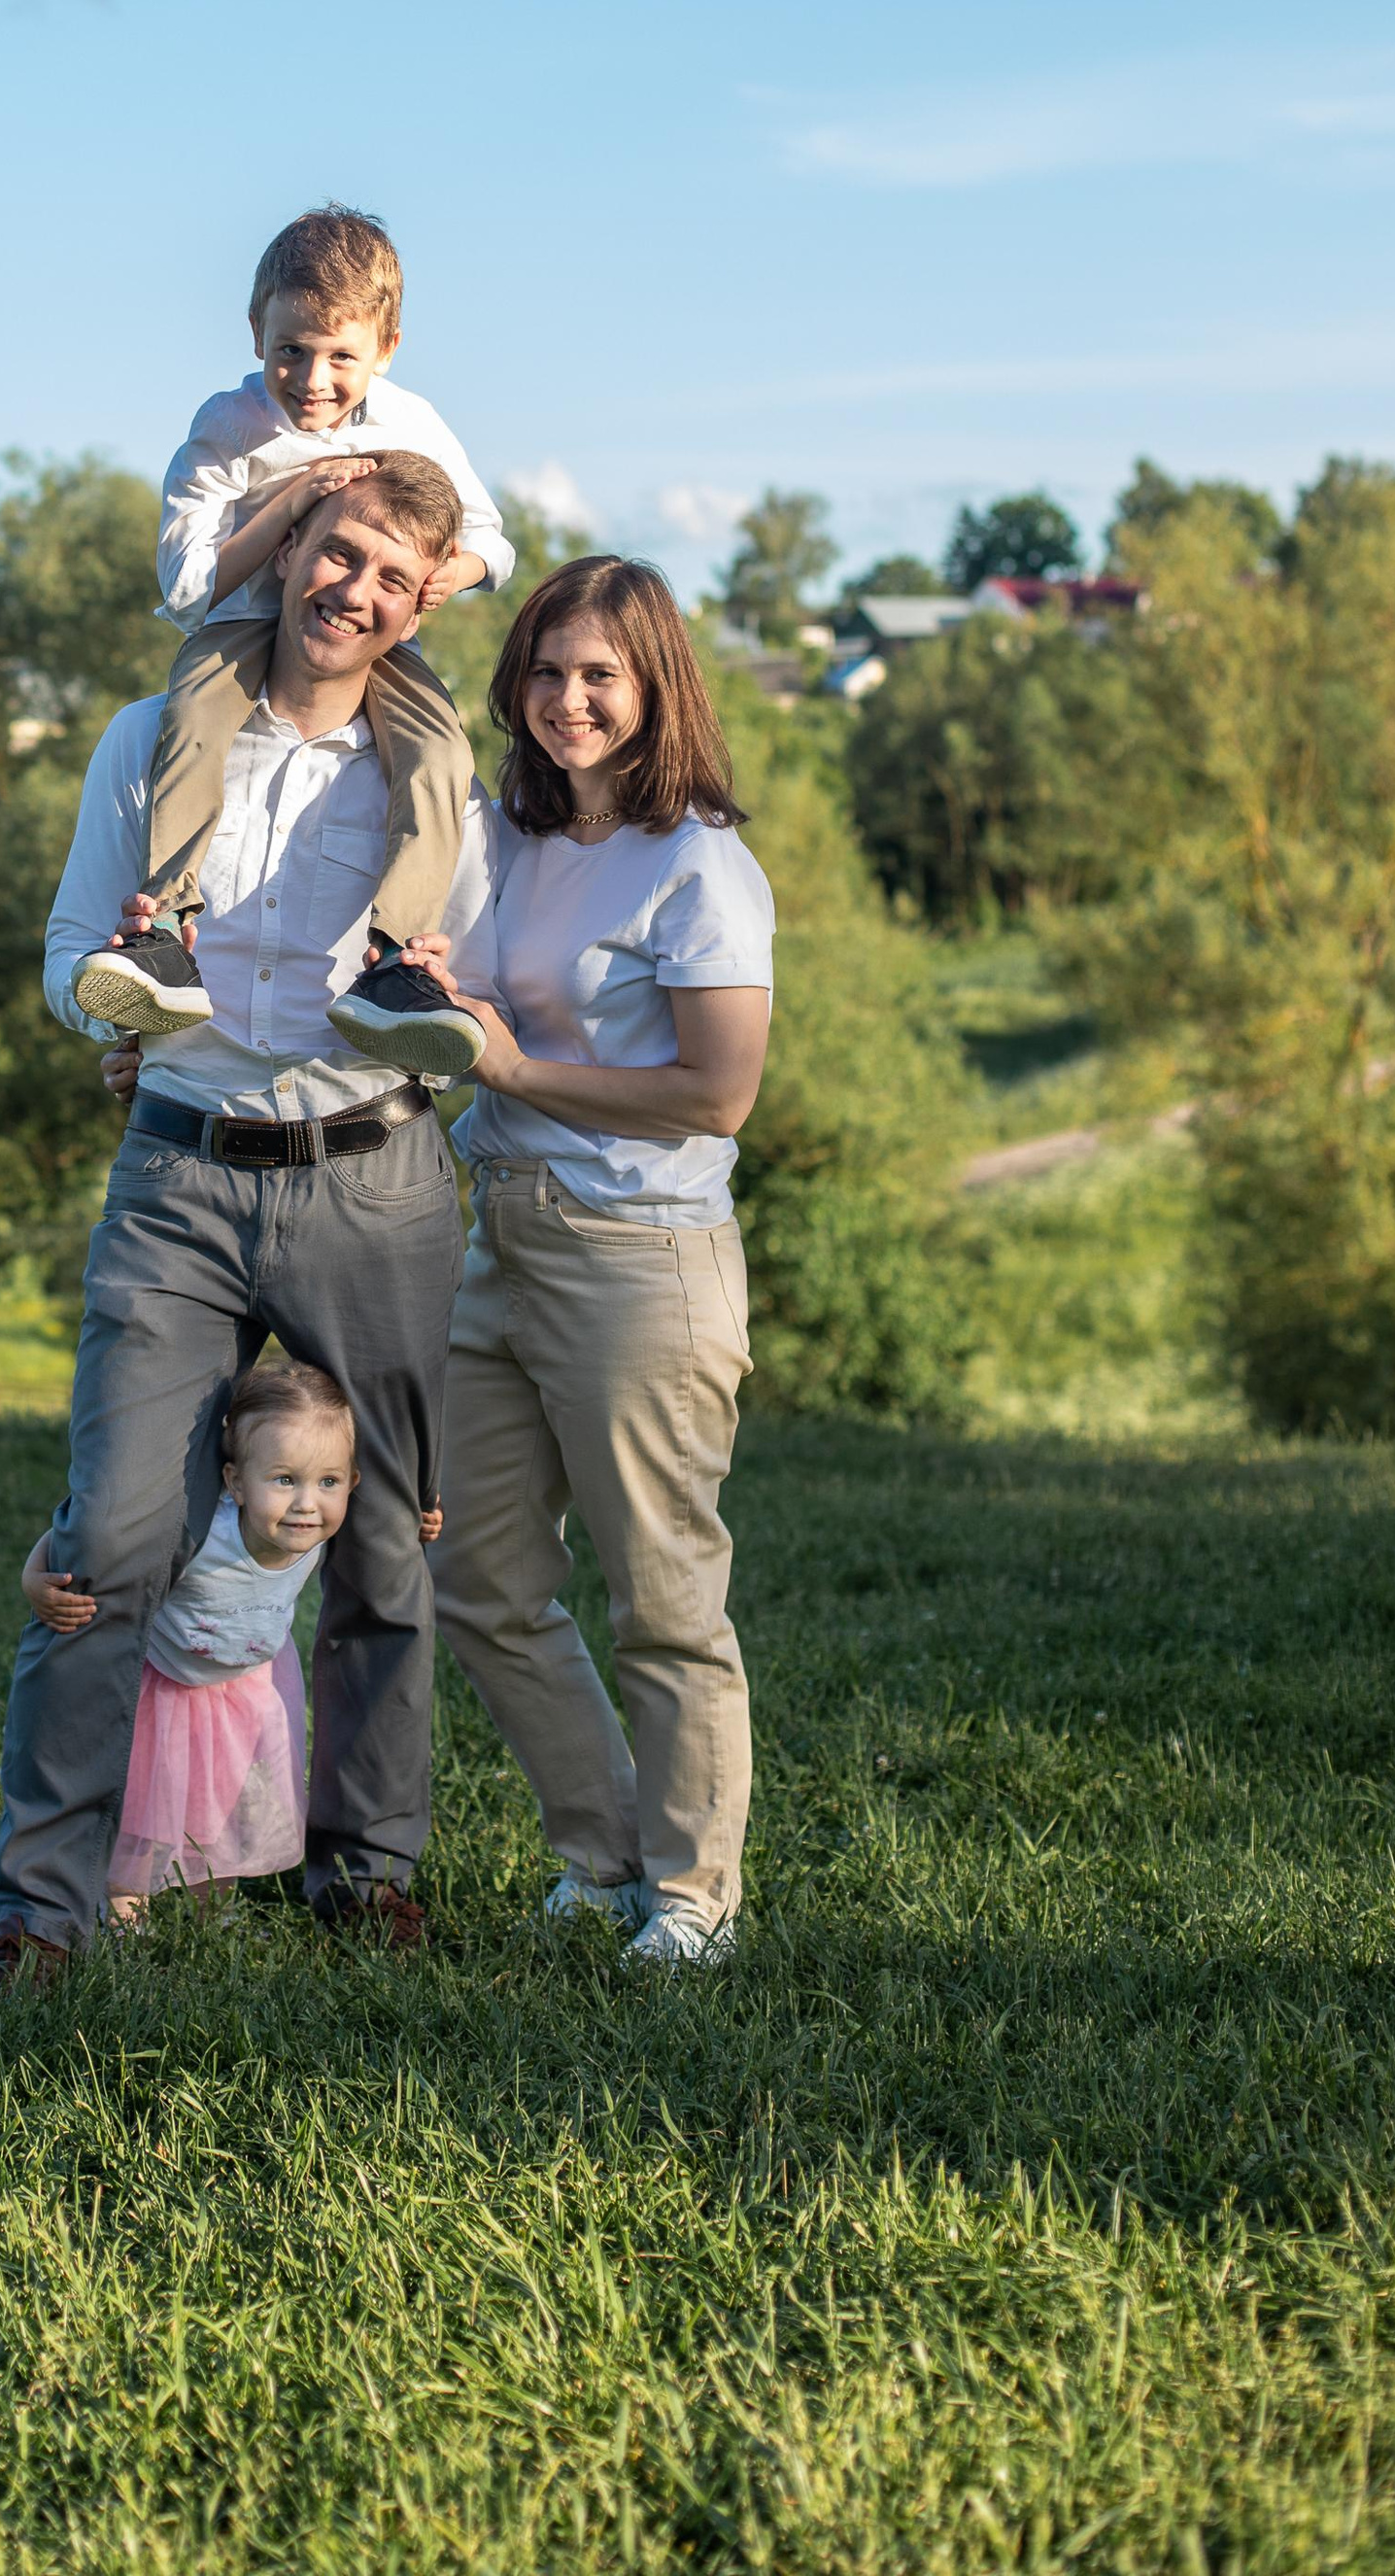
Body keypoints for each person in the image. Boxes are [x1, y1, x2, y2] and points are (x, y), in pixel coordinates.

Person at [0, 449, 492, 1987]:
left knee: (387, 1541)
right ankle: (44, 1905)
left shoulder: (432, 777)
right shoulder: (153, 739)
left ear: (415, 609)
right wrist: (110, 1007)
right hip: (184, 1176)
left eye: (394, 580)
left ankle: (367, 1869)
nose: (355, 593)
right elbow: (72, 955)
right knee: (112, 1540)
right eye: (339, 556)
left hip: (378, 1180)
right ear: (289, 554)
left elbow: (480, 982)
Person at [413, 556, 773, 1966]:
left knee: (663, 1598)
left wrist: (516, 1065)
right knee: (483, 1578)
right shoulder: (499, 838)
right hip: (491, 1234)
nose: (570, 699)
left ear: (653, 688)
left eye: (601, 676)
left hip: (639, 1256)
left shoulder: (698, 863)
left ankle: (695, 1899)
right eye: (549, 671)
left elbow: (715, 1094)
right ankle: (602, 1854)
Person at [65, 204, 509, 1087]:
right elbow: (187, 585)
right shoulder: (228, 426)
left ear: (384, 347)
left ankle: (396, 964)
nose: (312, 379)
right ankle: (162, 935)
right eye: (291, 351)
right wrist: (293, 499)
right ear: (255, 330)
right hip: (241, 623)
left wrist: (442, 578)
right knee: (191, 730)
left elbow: (493, 540)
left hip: (370, 646)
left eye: (342, 356)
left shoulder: (412, 422)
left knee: (439, 753)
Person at [20, 1359, 443, 1924]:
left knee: (222, 1803)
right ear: (235, 1481)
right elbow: (83, 1525)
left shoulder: (326, 1522)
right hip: (165, 1686)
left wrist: (419, 1518)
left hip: (247, 1688)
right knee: (150, 1809)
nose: (306, 1503)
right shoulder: (205, 1528)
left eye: (328, 1481)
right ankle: (125, 1905)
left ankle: (207, 1910)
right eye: (285, 1479)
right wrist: (34, 1577)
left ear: (351, 1482)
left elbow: (393, 1521)